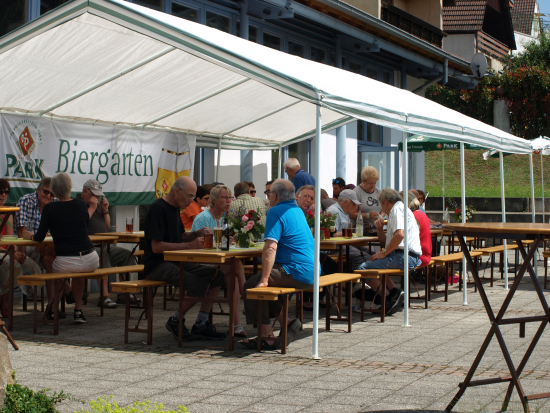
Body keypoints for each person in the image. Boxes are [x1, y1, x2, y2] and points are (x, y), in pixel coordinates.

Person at [144, 177, 227, 342]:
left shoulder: (175, 208)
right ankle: (175, 320)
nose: (191, 201)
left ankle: (202, 322)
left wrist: (197, 233)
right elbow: (156, 247)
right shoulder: (158, 209)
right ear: (176, 191)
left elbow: (181, 236)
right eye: (189, 196)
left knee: (217, 277)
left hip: (175, 261)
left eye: (192, 197)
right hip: (156, 264)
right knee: (198, 285)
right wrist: (190, 247)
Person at [240, 179, 316, 350]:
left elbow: (270, 247)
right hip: (312, 270)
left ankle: (266, 336)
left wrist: (264, 279)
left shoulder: (276, 211)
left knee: (253, 285)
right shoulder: (297, 210)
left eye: (268, 194)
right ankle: (286, 322)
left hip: (298, 271)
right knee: (263, 285)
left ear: (274, 195)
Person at [23, 173, 100, 324]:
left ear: (54, 191)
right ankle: (78, 311)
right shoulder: (80, 204)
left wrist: (29, 237)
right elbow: (83, 225)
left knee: (56, 271)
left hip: (66, 260)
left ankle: (52, 311)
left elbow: (39, 236)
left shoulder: (50, 208)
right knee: (79, 273)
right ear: (70, 188)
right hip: (90, 258)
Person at [192, 185, 248, 337]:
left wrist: (227, 239)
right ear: (214, 200)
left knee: (233, 278)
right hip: (199, 262)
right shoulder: (204, 217)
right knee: (236, 265)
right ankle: (248, 297)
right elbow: (198, 246)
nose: (228, 201)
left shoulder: (223, 218)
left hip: (216, 262)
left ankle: (235, 325)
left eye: (230, 198)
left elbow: (218, 244)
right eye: (224, 198)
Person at [355, 187, 422, 316]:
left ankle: (389, 298)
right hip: (406, 255)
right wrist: (379, 229)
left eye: (381, 205)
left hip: (405, 256)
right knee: (374, 261)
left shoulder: (397, 210)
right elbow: (387, 242)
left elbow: (400, 235)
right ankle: (395, 294)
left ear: (385, 201)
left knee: (363, 269)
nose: (382, 209)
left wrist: (384, 253)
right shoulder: (399, 209)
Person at [77, 179, 138, 308]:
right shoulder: (78, 204)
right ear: (84, 191)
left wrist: (105, 210)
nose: (97, 198)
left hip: (105, 244)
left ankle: (123, 292)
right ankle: (104, 296)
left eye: (98, 195)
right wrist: (93, 207)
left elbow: (107, 226)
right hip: (87, 248)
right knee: (102, 255)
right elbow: (79, 224)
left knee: (126, 255)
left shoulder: (97, 206)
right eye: (94, 195)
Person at [15, 177, 71, 317]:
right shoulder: (25, 200)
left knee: (49, 259)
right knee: (53, 256)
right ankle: (67, 290)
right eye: (46, 192)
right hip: (27, 245)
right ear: (38, 190)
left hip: (45, 246)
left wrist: (42, 242)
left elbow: (58, 230)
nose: (49, 196)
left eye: (52, 194)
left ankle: (52, 308)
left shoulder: (55, 203)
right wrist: (27, 250)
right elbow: (21, 232)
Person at [0, 179, 42, 317]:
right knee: (11, 264)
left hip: (8, 251)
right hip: (2, 252)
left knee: (34, 267)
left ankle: (37, 309)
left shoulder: (8, 212)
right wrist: (10, 253)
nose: (3, 195)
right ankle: (5, 300)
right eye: (0, 192)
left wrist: (16, 251)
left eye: (6, 192)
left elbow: (10, 237)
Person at [326, 190, 372, 267]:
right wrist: (346, 233)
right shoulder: (334, 211)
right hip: (335, 247)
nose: (355, 207)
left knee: (372, 254)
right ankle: (365, 277)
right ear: (345, 202)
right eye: (354, 204)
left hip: (344, 245)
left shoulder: (344, 212)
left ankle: (373, 277)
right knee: (364, 257)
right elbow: (330, 235)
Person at [352, 166, 384, 236]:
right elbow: (351, 214)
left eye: (375, 183)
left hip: (376, 229)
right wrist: (368, 215)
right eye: (370, 183)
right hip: (362, 231)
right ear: (363, 181)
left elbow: (384, 208)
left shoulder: (377, 191)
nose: (373, 186)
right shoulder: (357, 193)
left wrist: (380, 217)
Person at [405, 191, 432, 267]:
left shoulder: (412, 217)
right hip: (425, 255)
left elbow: (402, 237)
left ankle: (385, 279)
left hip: (418, 257)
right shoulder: (420, 214)